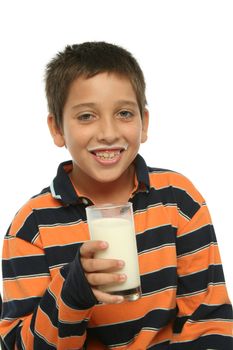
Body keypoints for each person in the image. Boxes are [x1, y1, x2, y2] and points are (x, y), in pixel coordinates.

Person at [0, 42, 232, 349]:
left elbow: (208, 322)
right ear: (57, 129)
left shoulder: (179, 201)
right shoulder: (32, 228)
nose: (108, 132)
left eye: (123, 113)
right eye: (86, 116)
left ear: (144, 123)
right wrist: (72, 292)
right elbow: (17, 345)